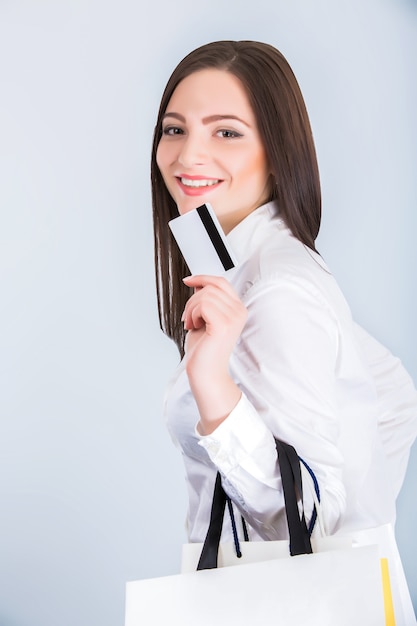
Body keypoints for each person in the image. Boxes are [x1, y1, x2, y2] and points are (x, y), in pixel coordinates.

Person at [151, 38, 417, 575]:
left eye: (226, 132)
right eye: (175, 129)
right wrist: (371, 518)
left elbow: (312, 519)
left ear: (278, 154)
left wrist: (216, 392)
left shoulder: (279, 290)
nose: (187, 155)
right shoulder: (248, 268)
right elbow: (391, 394)